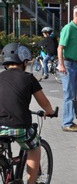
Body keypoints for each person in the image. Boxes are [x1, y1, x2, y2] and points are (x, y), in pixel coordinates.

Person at [0, 43, 55, 184]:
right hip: (19, 125)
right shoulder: (29, 78)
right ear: (24, 61)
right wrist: (49, 112)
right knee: (35, 146)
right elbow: (44, 103)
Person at [57, 5, 77, 132]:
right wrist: (61, 64)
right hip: (67, 64)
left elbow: (76, 48)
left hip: (74, 64)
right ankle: (66, 123)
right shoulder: (68, 28)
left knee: (73, 95)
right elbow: (60, 48)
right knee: (68, 95)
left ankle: (69, 120)